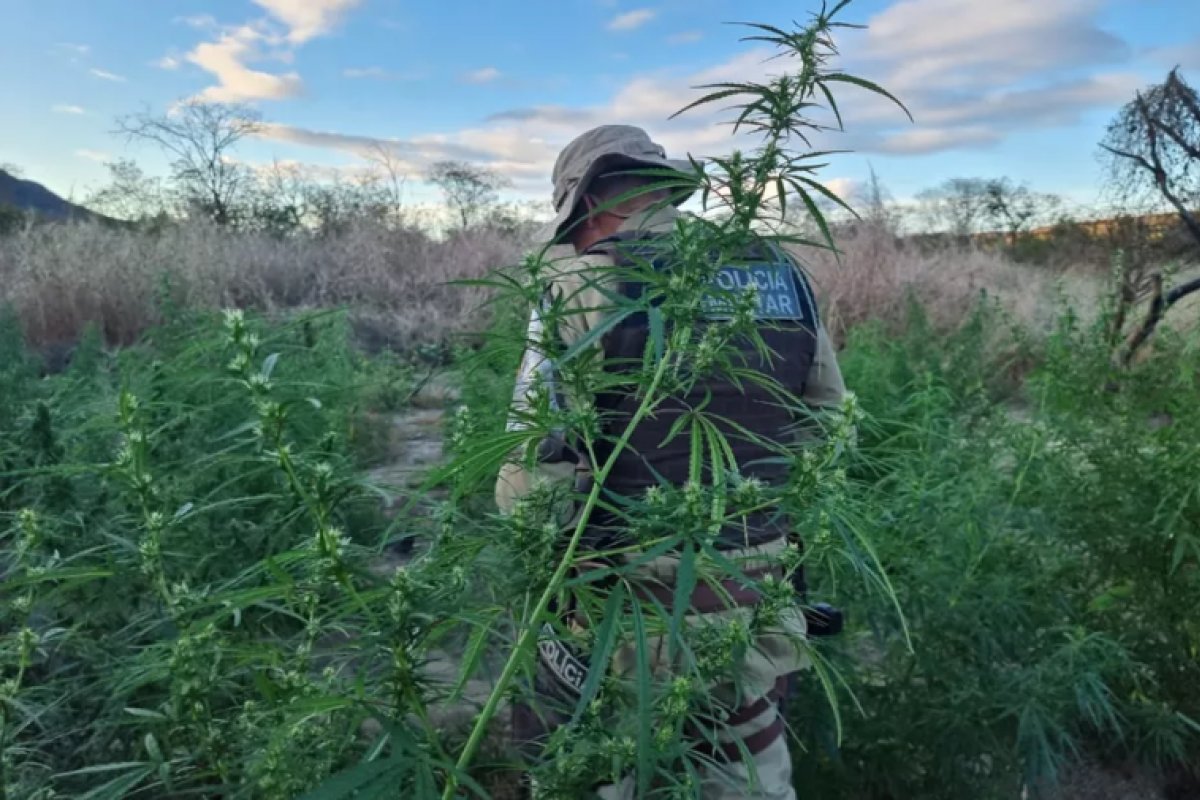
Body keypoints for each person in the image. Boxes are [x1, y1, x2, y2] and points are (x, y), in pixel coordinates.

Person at [496, 125, 848, 799]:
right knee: (745, 767)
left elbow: (530, 489)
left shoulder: (573, 287)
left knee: (591, 769)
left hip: (619, 621)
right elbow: (825, 433)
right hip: (755, 616)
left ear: (590, 202)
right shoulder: (780, 278)